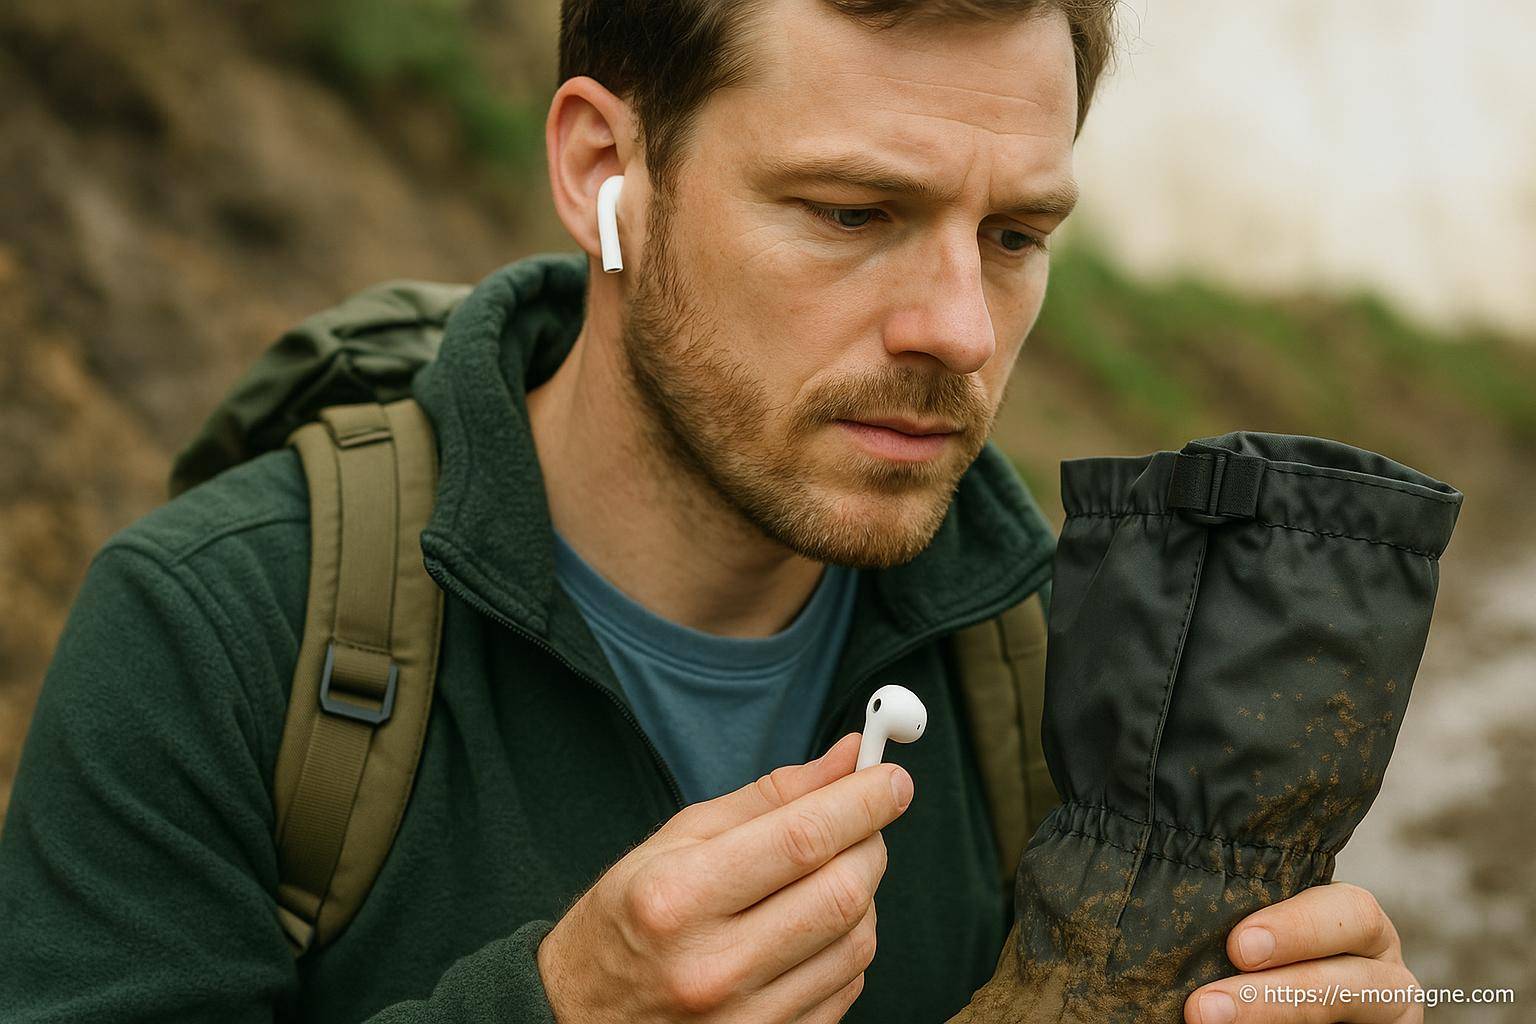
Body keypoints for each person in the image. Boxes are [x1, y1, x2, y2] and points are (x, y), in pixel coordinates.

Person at [0, 1, 1424, 1021]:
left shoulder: (1074, 678)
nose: (959, 330)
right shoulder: (213, 633)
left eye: (1015, 237)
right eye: (852, 211)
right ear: (604, 173)